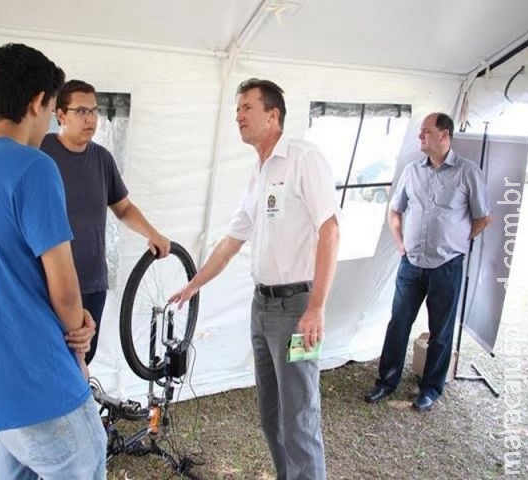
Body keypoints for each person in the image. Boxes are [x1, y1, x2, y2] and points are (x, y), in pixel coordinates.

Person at [0, 44, 106, 478]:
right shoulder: (34, 168)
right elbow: (66, 287)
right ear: (39, 102)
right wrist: (81, 330)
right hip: (45, 388)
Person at [170, 78, 340, 480]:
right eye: (237, 109)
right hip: (261, 309)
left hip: (297, 309)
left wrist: (316, 307)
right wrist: (194, 284)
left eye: (246, 107)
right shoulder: (259, 172)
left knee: (299, 418)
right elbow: (231, 242)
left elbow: (330, 230)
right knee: (271, 417)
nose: (238, 116)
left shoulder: (303, 159)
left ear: (273, 114)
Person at [364, 112, 492, 412]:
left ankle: (430, 389)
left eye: (426, 132)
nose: (420, 137)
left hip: (446, 266)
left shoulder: (467, 172)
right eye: (420, 132)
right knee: (398, 323)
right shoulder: (412, 171)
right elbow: (395, 211)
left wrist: (456, 242)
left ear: (445, 136)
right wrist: (400, 244)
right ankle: (386, 382)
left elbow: (483, 217)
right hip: (411, 263)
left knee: (440, 330)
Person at [41, 79, 170, 365]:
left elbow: (122, 207)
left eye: (94, 111)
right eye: (82, 111)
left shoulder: (102, 159)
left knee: (83, 359)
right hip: (48, 283)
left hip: (91, 281)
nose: (90, 119)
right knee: (50, 361)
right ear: (60, 115)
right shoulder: (41, 153)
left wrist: (152, 233)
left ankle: (83, 409)